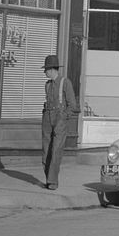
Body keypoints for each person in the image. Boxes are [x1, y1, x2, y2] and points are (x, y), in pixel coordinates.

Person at [42, 54, 77, 190]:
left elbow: (72, 105)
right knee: (46, 151)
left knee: (56, 151)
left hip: (59, 118)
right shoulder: (47, 85)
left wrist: (63, 117)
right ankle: (49, 178)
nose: (44, 72)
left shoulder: (65, 82)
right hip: (47, 117)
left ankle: (53, 181)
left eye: (46, 69)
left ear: (51, 69)